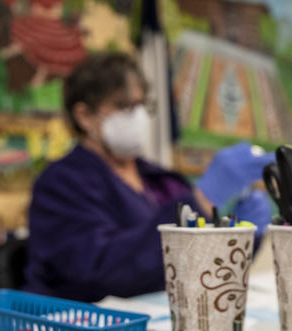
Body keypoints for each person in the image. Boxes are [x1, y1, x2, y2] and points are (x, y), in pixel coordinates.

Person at [24, 53, 273, 302]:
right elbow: (103, 272)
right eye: (125, 107)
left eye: (143, 105)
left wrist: (241, 235)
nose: (140, 117)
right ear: (85, 116)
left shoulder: (160, 179)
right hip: (88, 329)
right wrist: (199, 202)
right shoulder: (60, 185)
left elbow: (207, 266)